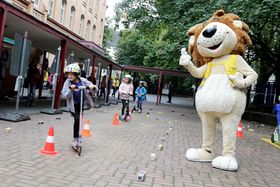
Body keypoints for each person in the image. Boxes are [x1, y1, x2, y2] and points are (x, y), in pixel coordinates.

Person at [62, 63, 97, 147]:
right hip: (72, 106)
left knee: (80, 120)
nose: (70, 76)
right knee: (77, 119)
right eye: (68, 74)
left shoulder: (82, 80)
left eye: (72, 74)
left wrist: (92, 87)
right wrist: (71, 89)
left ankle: (78, 139)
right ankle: (75, 139)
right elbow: (65, 96)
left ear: (76, 74)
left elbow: (92, 86)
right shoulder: (67, 82)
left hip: (80, 104)